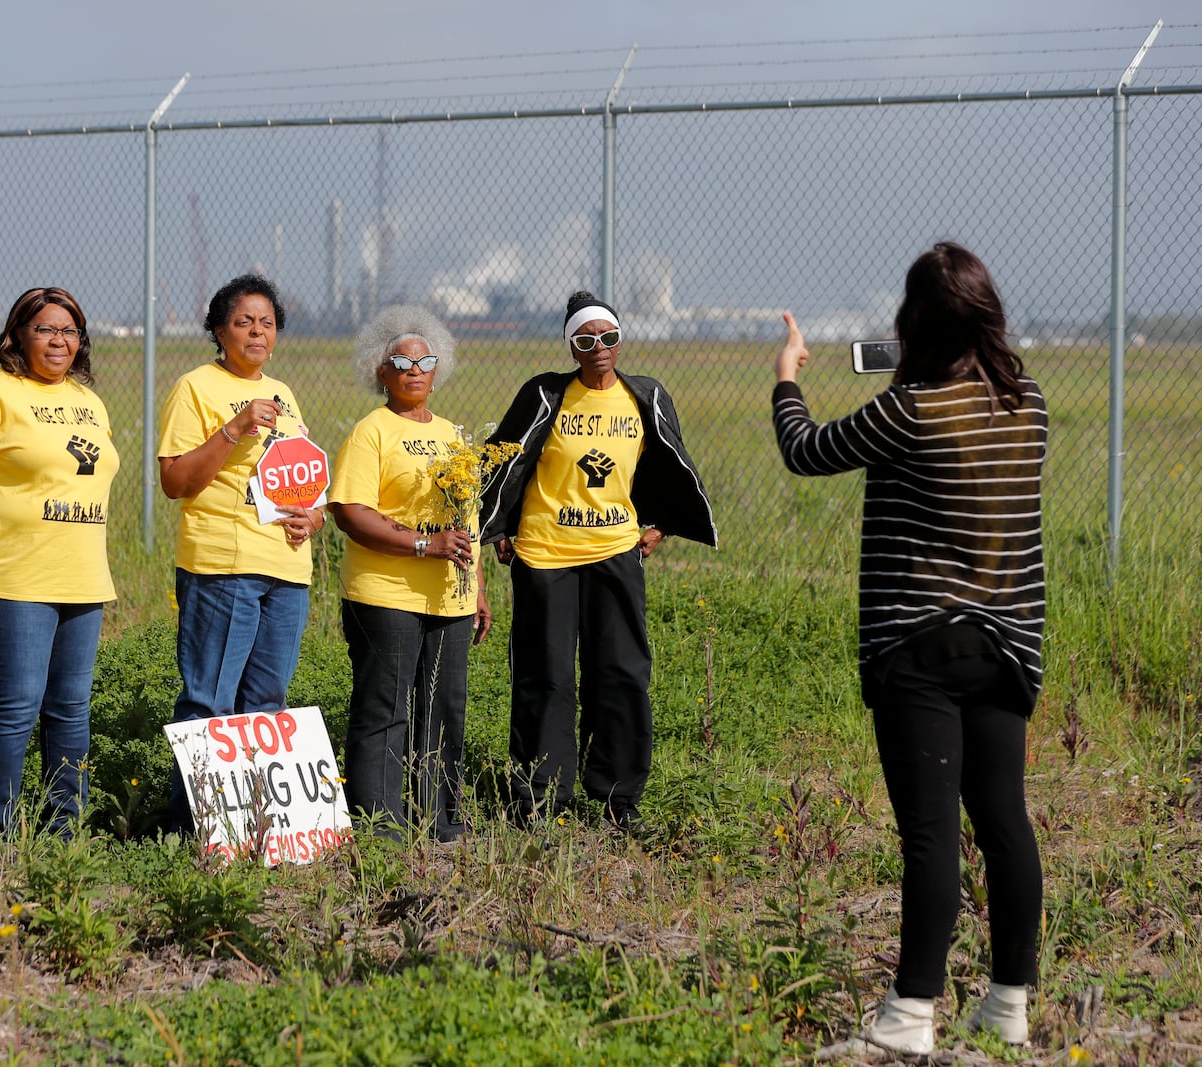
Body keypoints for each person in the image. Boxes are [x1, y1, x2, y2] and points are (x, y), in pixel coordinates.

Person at [773, 243, 1046, 1057]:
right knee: (1004, 822)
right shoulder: (1023, 399)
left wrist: (787, 373)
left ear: (915, 321)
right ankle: (1007, 1005)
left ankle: (909, 1014)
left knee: (929, 833)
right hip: (1007, 644)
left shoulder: (910, 409)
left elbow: (806, 448)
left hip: (920, 645)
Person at [479, 290, 716, 831]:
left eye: (608, 337)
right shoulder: (545, 394)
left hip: (615, 552)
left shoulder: (644, 396)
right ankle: (541, 800)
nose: (598, 348)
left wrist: (659, 523)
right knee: (547, 677)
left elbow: (667, 460)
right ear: (571, 346)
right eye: (585, 340)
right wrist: (501, 526)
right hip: (545, 555)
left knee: (622, 673)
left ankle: (618, 799)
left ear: (619, 340)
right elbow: (504, 455)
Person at [0, 286, 118, 845]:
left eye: (70, 331)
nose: (59, 340)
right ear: (15, 336)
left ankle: (64, 838)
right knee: (16, 708)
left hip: (82, 579)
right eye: (45, 329)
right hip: (13, 581)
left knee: (72, 711)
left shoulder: (90, 401)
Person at [157, 273, 324, 832]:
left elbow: (299, 476)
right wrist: (233, 428)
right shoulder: (196, 387)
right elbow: (176, 481)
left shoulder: (285, 393)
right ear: (218, 329)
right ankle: (189, 833)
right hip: (224, 567)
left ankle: (252, 834)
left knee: (267, 703)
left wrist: (314, 514)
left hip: (286, 568)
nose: (257, 331)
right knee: (210, 702)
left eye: (268, 322)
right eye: (244, 321)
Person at [328, 306, 491, 842]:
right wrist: (424, 544)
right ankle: (380, 826)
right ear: (381, 371)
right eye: (400, 360)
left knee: (445, 707)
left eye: (425, 361)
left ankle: (439, 820)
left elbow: (468, 520)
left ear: (438, 370)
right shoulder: (371, 432)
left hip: (449, 597)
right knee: (386, 706)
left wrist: (478, 590)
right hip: (386, 593)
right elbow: (350, 511)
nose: (414, 369)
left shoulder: (452, 435)